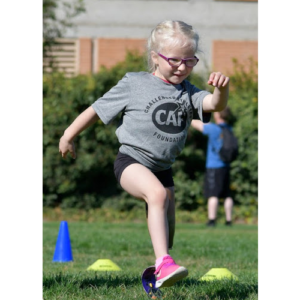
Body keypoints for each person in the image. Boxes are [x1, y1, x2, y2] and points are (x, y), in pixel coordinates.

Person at [59, 20, 230, 288]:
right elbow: (96, 109)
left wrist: (222, 88)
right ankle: (163, 263)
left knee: (168, 226)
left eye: (189, 61)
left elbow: (214, 103)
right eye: (174, 60)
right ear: (155, 57)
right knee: (158, 195)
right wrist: (68, 135)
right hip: (131, 161)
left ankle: (160, 268)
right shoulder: (134, 83)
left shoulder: (188, 92)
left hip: (164, 169)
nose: (182, 67)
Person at [191, 106, 234, 227]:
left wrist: (188, 115)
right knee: (227, 194)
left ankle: (212, 220)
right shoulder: (229, 129)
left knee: (213, 194)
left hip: (214, 166)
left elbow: (197, 125)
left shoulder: (214, 129)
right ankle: (228, 220)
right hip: (226, 166)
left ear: (217, 115)